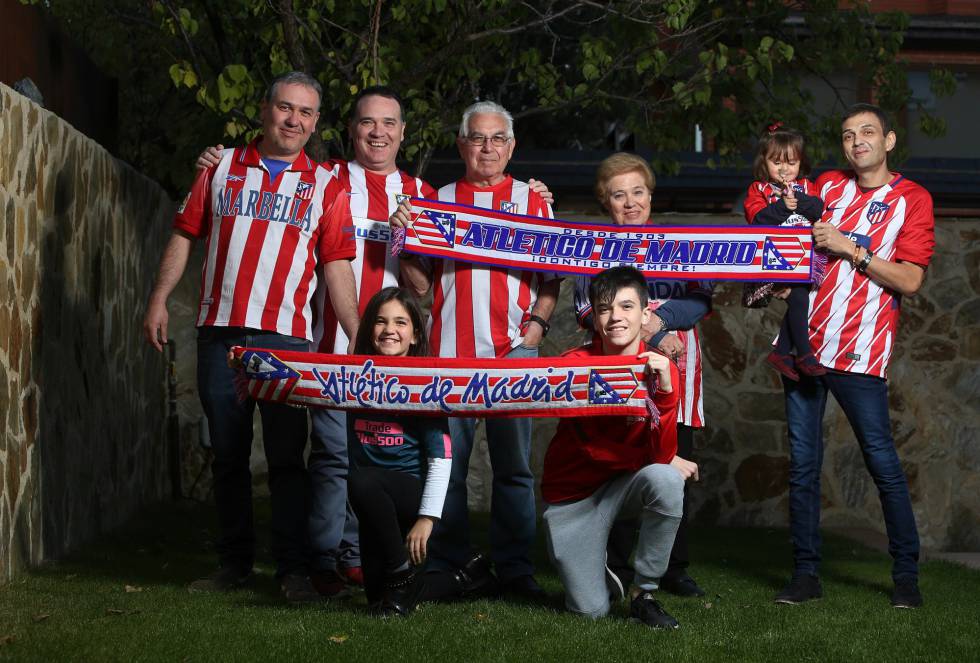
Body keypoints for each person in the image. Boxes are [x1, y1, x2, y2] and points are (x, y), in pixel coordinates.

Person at [194, 90, 553, 597]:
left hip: (423, 358)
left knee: (446, 464)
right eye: (367, 123)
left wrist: (535, 320)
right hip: (345, 347)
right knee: (341, 459)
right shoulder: (332, 180)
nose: (379, 133)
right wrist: (216, 160)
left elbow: (427, 286)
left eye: (389, 124)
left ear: (403, 133)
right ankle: (339, 561)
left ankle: (467, 566)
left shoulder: (428, 193)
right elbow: (275, 173)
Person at [142, 71, 359, 603]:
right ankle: (233, 562)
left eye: (306, 113)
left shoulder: (328, 186)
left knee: (287, 458)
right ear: (265, 110)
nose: (294, 120)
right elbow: (184, 234)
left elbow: (336, 268)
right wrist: (157, 298)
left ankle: (292, 570)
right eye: (286, 108)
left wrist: (360, 336)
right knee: (228, 454)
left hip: (286, 340)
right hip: (220, 333)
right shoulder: (219, 169)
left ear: (314, 123)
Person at [392, 101, 561, 600]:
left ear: (511, 146)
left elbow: (551, 279)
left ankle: (515, 569)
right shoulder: (438, 198)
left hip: (514, 354)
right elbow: (421, 287)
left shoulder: (534, 201)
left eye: (497, 139)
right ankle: (452, 563)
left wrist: (535, 331)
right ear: (462, 144)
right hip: (450, 356)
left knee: (514, 469)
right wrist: (403, 243)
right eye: (477, 138)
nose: (487, 148)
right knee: (450, 469)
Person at [774, 103, 935, 609]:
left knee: (882, 464)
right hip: (804, 348)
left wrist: (853, 249)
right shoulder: (827, 186)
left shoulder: (912, 199)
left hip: (860, 353)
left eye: (868, 132)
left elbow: (910, 279)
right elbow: (781, 215)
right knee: (803, 467)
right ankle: (805, 576)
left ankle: (905, 578)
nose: (857, 141)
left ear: (888, 140)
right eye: (847, 134)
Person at [572, 153, 712, 599]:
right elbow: (582, 308)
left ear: (650, 195)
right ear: (605, 201)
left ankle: (673, 565)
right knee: (616, 464)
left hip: (676, 366)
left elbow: (701, 298)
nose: (630, 202)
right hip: (616, 368)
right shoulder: (591, 246)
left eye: (638, 192)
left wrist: (660, 323)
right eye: (618, 195)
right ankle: (612, 561)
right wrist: (640, 327)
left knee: (676, 464)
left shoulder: (678, 243)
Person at [543, 266, 698, 629]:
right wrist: (660, 460)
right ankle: (604, 573)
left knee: (666, 480)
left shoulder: (661, 368)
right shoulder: (573, 366)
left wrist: (666, 393)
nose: (616, 317)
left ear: (645, 315)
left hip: (623, 485)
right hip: (574, 498)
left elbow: (659, 458)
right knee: (590, 612)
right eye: (605, 308)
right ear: (595, 318)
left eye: (626, 307)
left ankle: (643, 593)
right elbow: (592, 449)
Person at [344, 287, 452, 616]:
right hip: (374, 503)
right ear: (369, 331)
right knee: (377, 597)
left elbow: (441, 457)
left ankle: (402, 571)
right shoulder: (350, 378)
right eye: (380, 321)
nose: (389, 329)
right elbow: (301, 384)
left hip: (412, 494)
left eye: (401, 322)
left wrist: (426, 519)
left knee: (362, 481)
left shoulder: (425, 386)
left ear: (415, 336)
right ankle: (465, 579)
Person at [743, 123, 826, 379]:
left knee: (802, 300)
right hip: (771, 260)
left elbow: (819, 208)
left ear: (801, 162)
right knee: (800, 298)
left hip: (801, 259)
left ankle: (781, 351)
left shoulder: (807, 187)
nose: (784, 168)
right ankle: (803, 353)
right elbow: (757, 219)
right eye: (776, 161)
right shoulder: (759, 189)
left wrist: (798, 202)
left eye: (791, 162)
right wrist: (783, 207)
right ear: (763, 162)